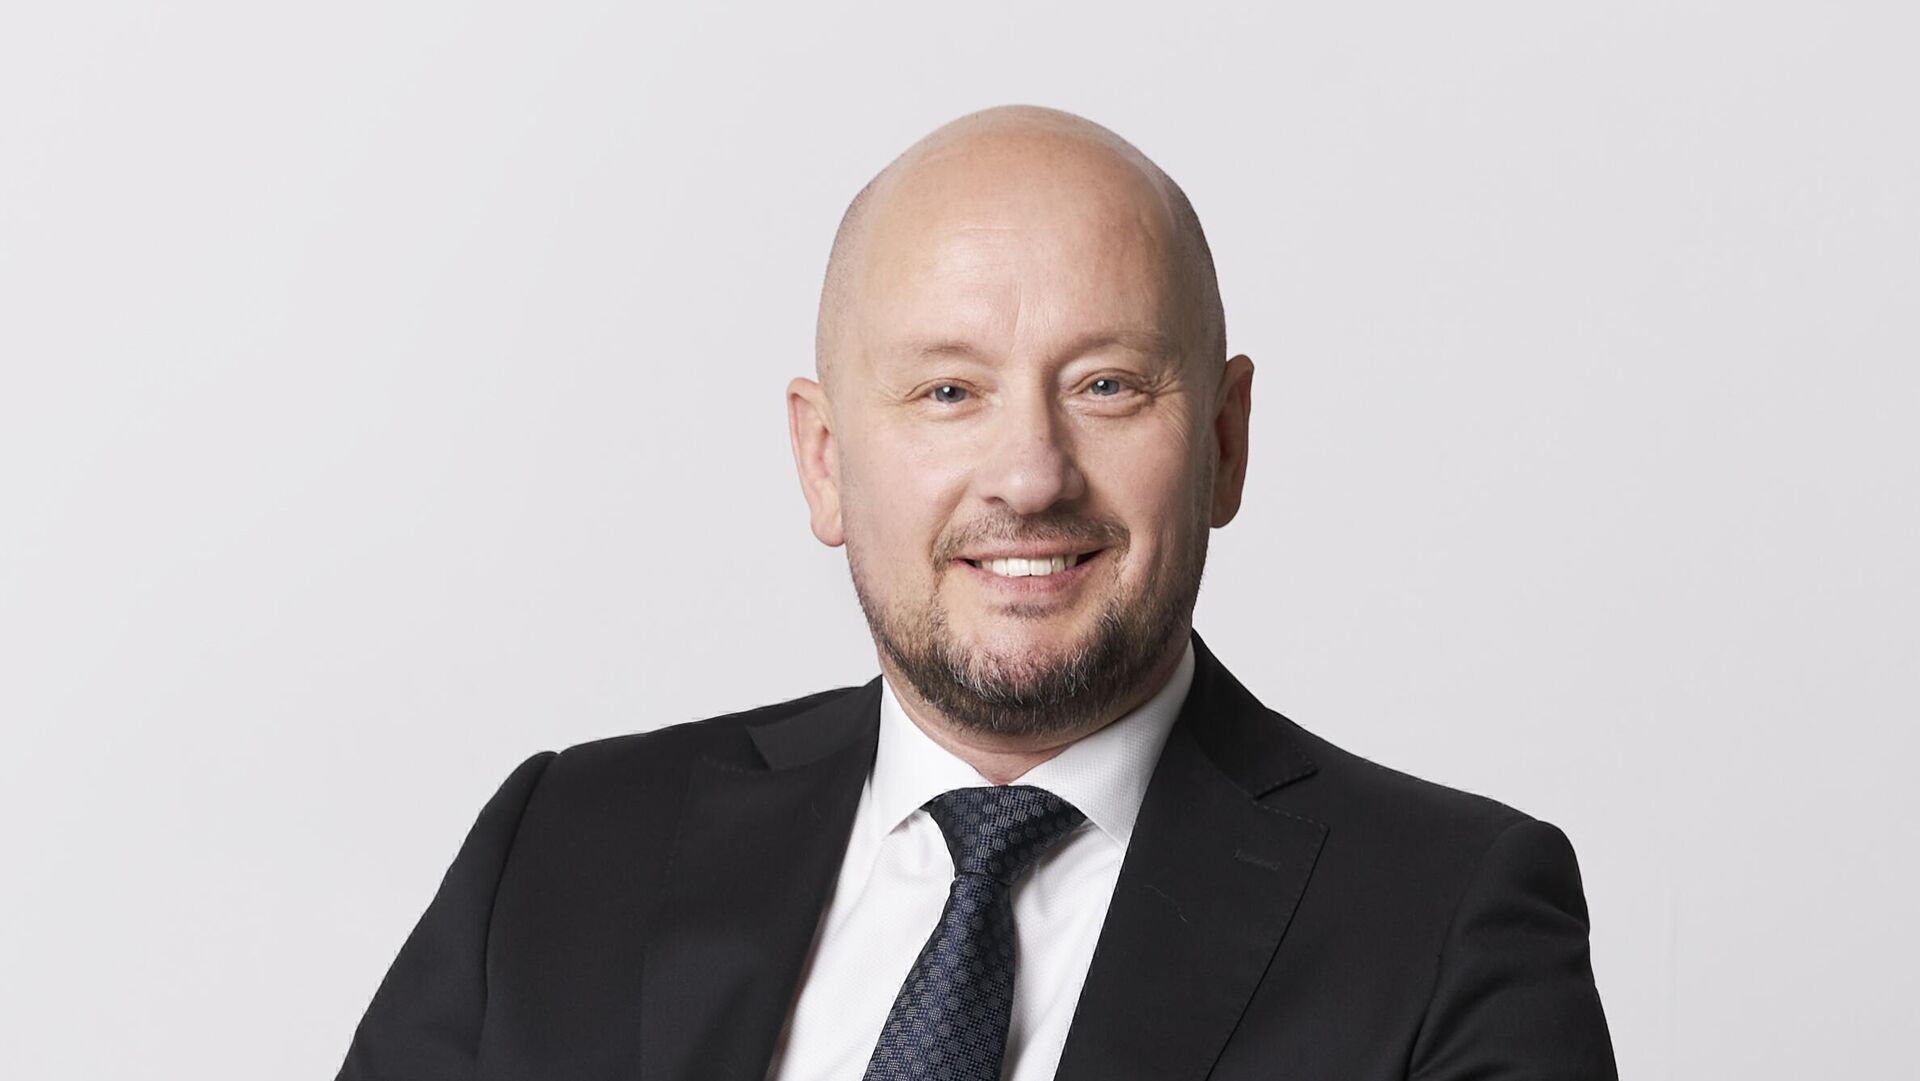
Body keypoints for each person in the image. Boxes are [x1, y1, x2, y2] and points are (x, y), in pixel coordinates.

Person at [335, 105, 1618, 1081]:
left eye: (1107, 384)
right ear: (824, 460)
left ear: (1226, 442)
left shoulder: (1448, 922)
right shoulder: (562, 848)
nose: (1030, 472)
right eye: (948, 391)